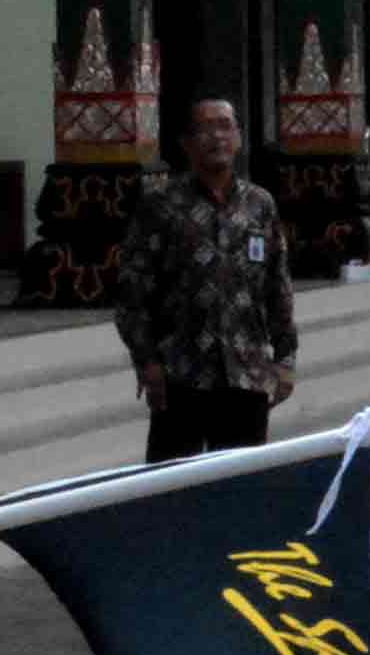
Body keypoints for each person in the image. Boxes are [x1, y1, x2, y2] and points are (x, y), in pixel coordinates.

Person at [112, 95, 297, 459]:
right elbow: (131, 294)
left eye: (225, 126)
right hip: (181, 376)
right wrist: (147, 361)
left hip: (246, 373)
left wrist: (286, 358)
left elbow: (278, 286)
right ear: (185, 143)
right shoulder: (160, 206)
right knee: (173, 493)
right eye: (204, 128)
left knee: (239, 488)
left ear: (240, 138)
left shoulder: (260, 204)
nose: (217, 137)